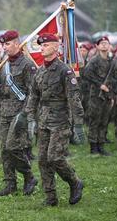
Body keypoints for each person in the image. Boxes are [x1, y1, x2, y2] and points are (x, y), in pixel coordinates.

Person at [26, 33, 84, 206]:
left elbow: (74, 98)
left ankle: (75, 182)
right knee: (43, 160)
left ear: (55, 47)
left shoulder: (64, 71)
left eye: (45, 45)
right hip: (43, 119)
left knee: (55, 157)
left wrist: (78, 123)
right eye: (41, 46)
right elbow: (33, 95)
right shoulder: (40, 70)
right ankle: (51, 197)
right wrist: (30, 118)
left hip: (60, 120)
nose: (42, 48)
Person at [0, 30, 38, 196]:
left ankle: (28, 176)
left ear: (17, 44)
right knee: (4, 149)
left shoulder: (27, 64)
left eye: (8, 44)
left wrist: (25, 114)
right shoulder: (4, 64)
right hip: (5, 111)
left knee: (13, 147)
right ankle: (10, 183)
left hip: (20, 113)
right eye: (3, 44)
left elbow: (34, 92)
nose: (5, 47)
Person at [85, 37, 113, 155]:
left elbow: (114, 76)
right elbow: (87, 73)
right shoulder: (94, 60)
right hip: (96, 95)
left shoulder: (111, 61)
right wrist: (99, 84)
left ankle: (101, 145)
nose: (104, 46)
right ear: (97, 46)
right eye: (101, 44)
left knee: (104, 120)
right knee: (94, 120)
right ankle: (93, 146)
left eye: (106, 43)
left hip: (107, 94)